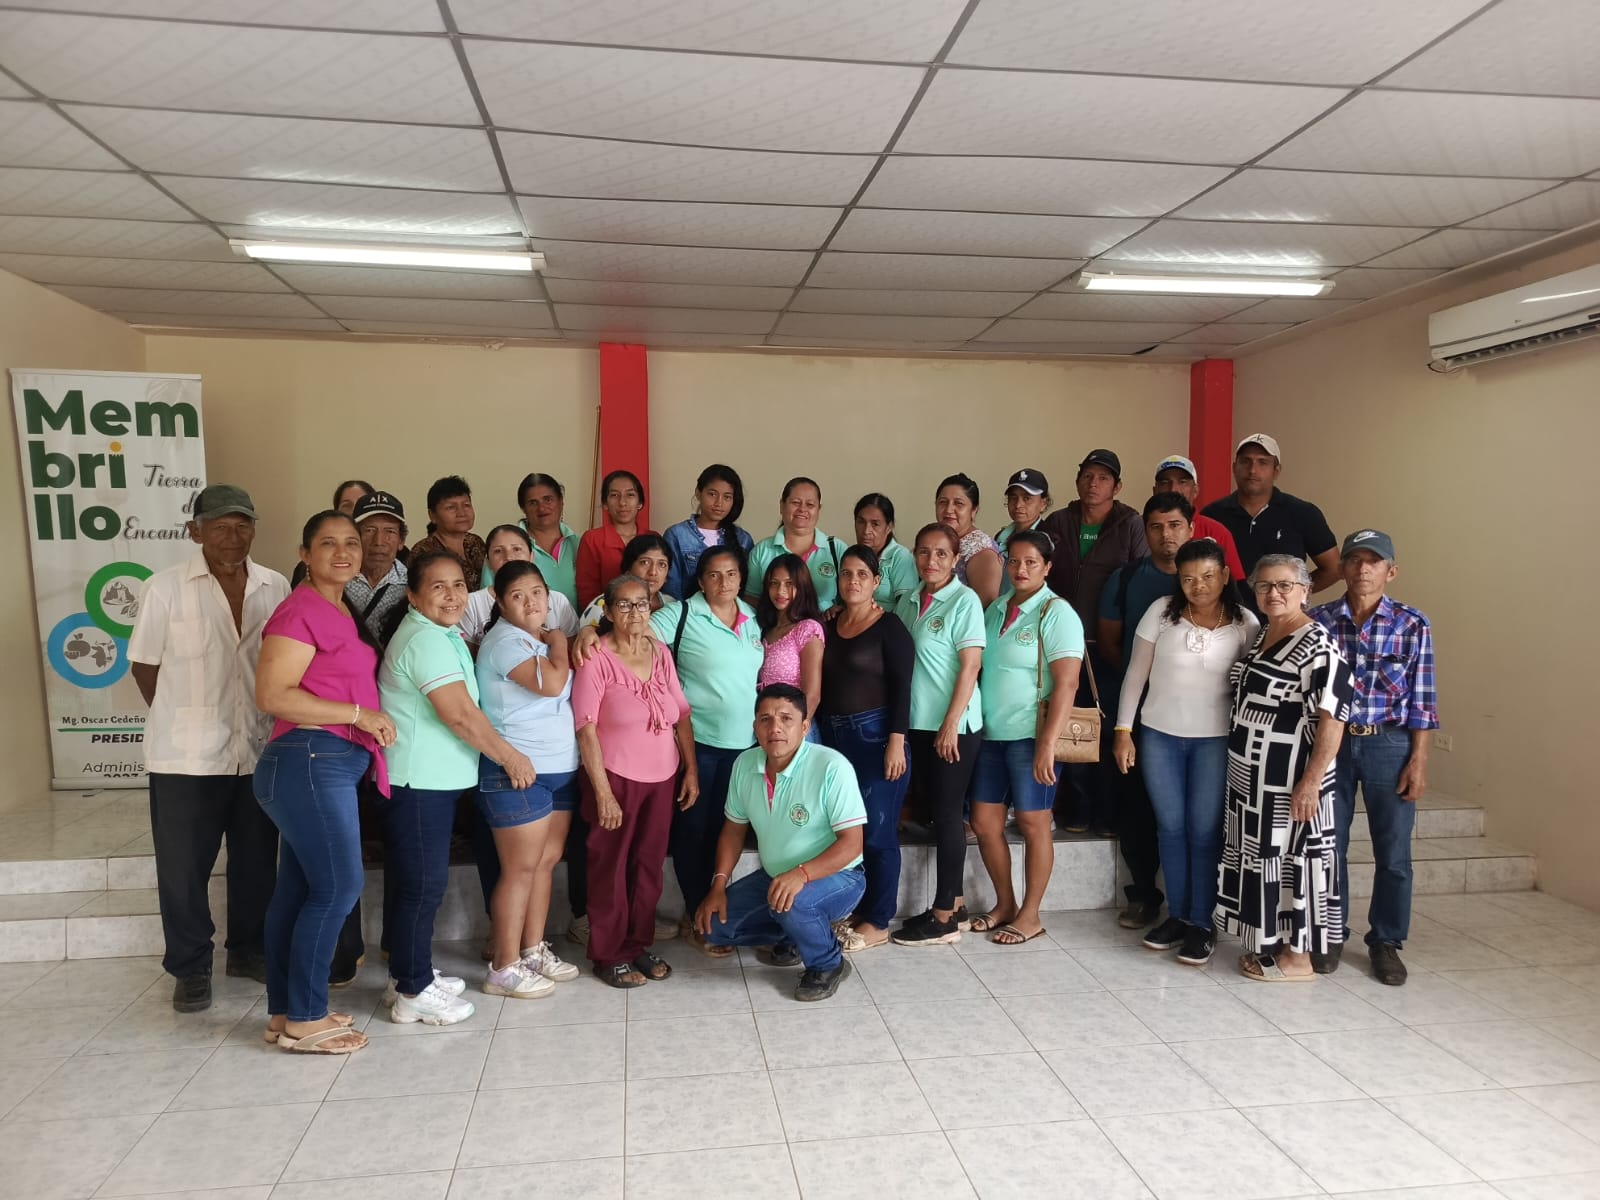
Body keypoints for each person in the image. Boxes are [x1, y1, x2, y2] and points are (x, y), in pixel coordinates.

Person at [127, 484, 289, 1013]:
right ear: (195, 532)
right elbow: (144, 667)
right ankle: (191, 966)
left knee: (256, 861)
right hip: (185, 756)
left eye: (243, 525)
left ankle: (248, 951)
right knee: (184, 869)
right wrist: (182, 716)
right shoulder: (164, 588)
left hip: (257, 748)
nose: (232, 536)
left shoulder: (275, 585)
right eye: (220, 526)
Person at [253, 509, 396, 1054]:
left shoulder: (339, 609)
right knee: (339, 885)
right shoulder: (299, 611)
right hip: (308, 760)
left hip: (322, 764)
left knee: (298, 891)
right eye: (328, 543)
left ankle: (286, 1011)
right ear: (305, 554)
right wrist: (358, 715)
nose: (343, 552)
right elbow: (273, 695)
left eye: (351, 543)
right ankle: (306, 1018)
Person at [380, 552, 535, 1024]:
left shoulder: (437, 633)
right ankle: (413, 990)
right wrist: (510, 756)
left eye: (458, 585)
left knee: (417, 884)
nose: (452, 596)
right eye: (438, 587)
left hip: (433, 779)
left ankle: (407, 975)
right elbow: (460, 715)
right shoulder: (425, 640)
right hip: (419, 781)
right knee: (422, 887)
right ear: (413, 595)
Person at [1114, 539, 1258, 966]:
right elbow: (1135, 676)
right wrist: (1123, 731)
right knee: (1171, 828)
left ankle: (1201, 922)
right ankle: (1176, 916)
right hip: (1159, 737)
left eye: (1208, 576)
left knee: (1204, 831)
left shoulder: (1245, 623)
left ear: (1225, 575)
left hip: (1215, 741)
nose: (1199, 586)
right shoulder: (1161, 612)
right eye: (1189, 578)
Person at [1217, 554, 1353, 982]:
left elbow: (1333, 718)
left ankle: (1299, 960)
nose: (1273, 593)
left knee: (1299, 862)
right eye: (1264, 585)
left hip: (1292, 779)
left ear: (1305, 591)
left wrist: (1311, 782)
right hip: (1254, 782)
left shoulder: (1318, 643)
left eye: (1284, 585)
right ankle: (1273, 944)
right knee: (1265, 860)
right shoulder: (1265, 634)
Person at [1311, 530, 1438, 986]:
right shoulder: (1318, 621)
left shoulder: (1412, 624)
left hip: (1390, 744)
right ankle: (1330, 933)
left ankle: (1386, 941)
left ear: (1391, 571)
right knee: (1329, 845)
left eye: (1374, 561)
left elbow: (1423, 701)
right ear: (1342, 568)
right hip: (1333, 745)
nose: (1363, 568)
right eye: (1354, 560)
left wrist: (1419, 760)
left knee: (1394, 852)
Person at [694, 685, 867, 1001]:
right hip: (776, 877)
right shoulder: (745, 765)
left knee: (796, 903)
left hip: (840, 877)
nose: (775, 728)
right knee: (713, 927)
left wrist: (801, 874)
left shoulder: (831, 766)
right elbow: (733, 830)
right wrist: (718, 885)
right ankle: (796, 936)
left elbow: (852, 845)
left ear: (804, 726)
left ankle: (827, 964)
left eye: (786, 719)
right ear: (755, 726)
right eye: (766, 719)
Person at [572, 574, 698, 987]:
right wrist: (603, 793)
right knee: (610, 867)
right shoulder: (596, 657)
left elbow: (681, 714)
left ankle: (637, 945)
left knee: (647, 867)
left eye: (641, 604)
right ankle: (608, 953)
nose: (634, 612)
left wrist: (691, 770)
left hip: (662, 778)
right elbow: (585, 728)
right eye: (623, 605)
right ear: (608, 612)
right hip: (615, 778)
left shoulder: (660, 653)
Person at [473, 559, 583, 998]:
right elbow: (553, 684)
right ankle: (503, 967)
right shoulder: (505, 641)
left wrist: (554, 639)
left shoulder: (536, 638)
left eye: (537, 592)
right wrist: (559, 639)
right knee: (519, 870)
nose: (531, 602)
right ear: (500, 603)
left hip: (558, 769)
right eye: (518, 595)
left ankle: (532, 950)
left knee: (544, 863)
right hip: (517, 773)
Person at [649, 545, 765, 951]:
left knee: (725, 830)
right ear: (700, 581)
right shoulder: (680, 614)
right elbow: (630, 635)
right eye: (714, 574)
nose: (723, 582)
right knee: (693, 832)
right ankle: (697, 913)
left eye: (731, 574)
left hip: (745, 747)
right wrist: (587, 634)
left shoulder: (753, 618)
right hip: (696, 745)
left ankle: (711, 910)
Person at [970, 530, 1084, 944]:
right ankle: (1005, 903)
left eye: (1031, 562)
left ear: (1047, 567)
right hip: (991, 734)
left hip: (1031, 736)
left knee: (1034, 823)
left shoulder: (1057, 612)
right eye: (1015, 561)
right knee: (984, 822)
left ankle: (1031, 915)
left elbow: (1067, 683)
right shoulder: (997, 608)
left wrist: (1047, 744)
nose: (1021, 569)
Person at [1097, 492, 1197, 929]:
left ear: (1190, 528)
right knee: (1137, 807)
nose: (1165, 535)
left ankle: (1195, 903)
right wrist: (1138, 695)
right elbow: (1111, 643)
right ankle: (1143, 894)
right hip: (1137, 715)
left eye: (1174, 525)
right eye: (1156, 526)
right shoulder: (1126, 579)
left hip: (1201, 719)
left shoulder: (1210, 579)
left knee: (1195, 814)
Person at [1039, 449, 1148, 835]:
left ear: (1117, 486)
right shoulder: (1058, 522)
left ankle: (1108, 812)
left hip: (1108, 646)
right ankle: (1078, 809)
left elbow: (1138, 577)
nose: (1093, 484)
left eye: (1103, 478)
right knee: (1067, 725)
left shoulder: (1130, 524)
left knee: (1106, 728)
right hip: (1062, 646)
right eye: (1087, 475)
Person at [890, 523, 985, 946]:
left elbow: (970, 666)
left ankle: (944, 916)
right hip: (919, 723)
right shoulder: (908, 601)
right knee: (936, 811)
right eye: (924, 552)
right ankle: (957, 904)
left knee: (947, 815)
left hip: (953, 727)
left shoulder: (964, 601)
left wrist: (951, 723)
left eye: (942, 553)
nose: (932, 561)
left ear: (956, 559)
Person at [819, 545, 913, 953]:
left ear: (876, 581)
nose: (853, 581)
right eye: (846, 573)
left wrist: (897, 742)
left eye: (862, 574)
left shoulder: (889, 626)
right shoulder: (829, 624)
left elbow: (903, 688)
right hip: (835, 739)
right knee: (846, 830)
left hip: (877, 738)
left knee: (877, 831)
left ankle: (879, 920)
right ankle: (859, 909)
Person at [1201, 435, 1339, 603]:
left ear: (1276, 471)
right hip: (1227, 616)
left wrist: (1295, 595)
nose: (1253, 470)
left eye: (1263, 462)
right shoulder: (1212, 515)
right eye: (1246, 461)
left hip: (1282, 616)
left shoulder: (1303, 513)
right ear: (1234, 467)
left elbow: (1333, 568)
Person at [459, 524, 579, 645]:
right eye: (498, 551)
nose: (509, 557)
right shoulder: (471, 604)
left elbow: (572, 649)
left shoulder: (558, 601)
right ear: (488, 561)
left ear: (531, 556)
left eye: (517, 549)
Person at [746, 476, 848, 611]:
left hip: (826, 624)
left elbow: (854, 594)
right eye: (795, 502)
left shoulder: (837, 549)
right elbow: (751, 598)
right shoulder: (762, 551)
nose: (802, 509)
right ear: (782, 506)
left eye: (810, 505)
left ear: (819, 509)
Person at [756, 555, 826, 735]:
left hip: (795, 730)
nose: (781, 591)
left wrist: (796, 733)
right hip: (767, 727)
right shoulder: (764, 629)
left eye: (789, 584)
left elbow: (812, 695)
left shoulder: (807, 628)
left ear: (802, 587)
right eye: (774, 583)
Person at [662, 463, 754, 600]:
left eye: (727, 497)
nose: (719, 503)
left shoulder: (743, 539)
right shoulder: (677, 535)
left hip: (731, 612)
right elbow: (671, 592)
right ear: (698, 493)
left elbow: (747, 590)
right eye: (712, 494)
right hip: (688, 611)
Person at [1150, 456, 1246, 582]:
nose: (1173, 489)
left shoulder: (1216, 531)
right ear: (1155, 490)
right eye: (1164, 482)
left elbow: (1236, 584)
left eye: (1182, 482)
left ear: (1195, 490)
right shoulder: (1142, 527)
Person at [577, 469, 653, 608]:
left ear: (640, 502)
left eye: (630, 495)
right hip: (604, 615)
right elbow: (587, 593)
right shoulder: (592, 539)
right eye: (614, 495)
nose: (622, 502)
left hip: (648, 614)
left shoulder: (652, 538)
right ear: (605, 504)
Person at [345, 490, 409, 645]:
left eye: (390, 531)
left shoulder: (413, 585)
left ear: (401, 541)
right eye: (369, 530)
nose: (379, 541)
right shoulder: (337, 579)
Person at [936, 472, 1004, 609]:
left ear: (974, 510)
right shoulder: (934, 539)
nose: (949, 509)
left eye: (959, 503)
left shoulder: (982, 550)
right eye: (943, 502)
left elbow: (984, 608)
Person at [410, 475, 487, 593]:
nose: (461, 513)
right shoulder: (423, 552)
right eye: (451, 507)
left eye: (466, 505)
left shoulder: (476, 542)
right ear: (432, 515)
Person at [580, 534, 675, 628]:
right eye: (645, 562)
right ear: (628, 569)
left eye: (662, 564)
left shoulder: (672, 606)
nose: (653, 572)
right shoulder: (603, 605)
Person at [518, 472, 581, 610]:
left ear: (561, 502)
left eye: (548, 499)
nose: (541, 508)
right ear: (523, 508)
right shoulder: (508, 546)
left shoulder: (578, 544)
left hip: (578, 623)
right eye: (533, 503)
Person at [853, 493, 918, 606]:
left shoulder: (900, 557)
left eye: (875, 524)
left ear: (889, 527)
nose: (866, 531)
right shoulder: (852, 556)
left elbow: (906, 607)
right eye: (861, 522)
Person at [996, 468, 1050, 550]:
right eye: (1013, 498)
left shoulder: (1050, 541)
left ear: (1043, 504)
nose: (1018, 505)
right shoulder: (1001, 536)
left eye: (1027, 498)